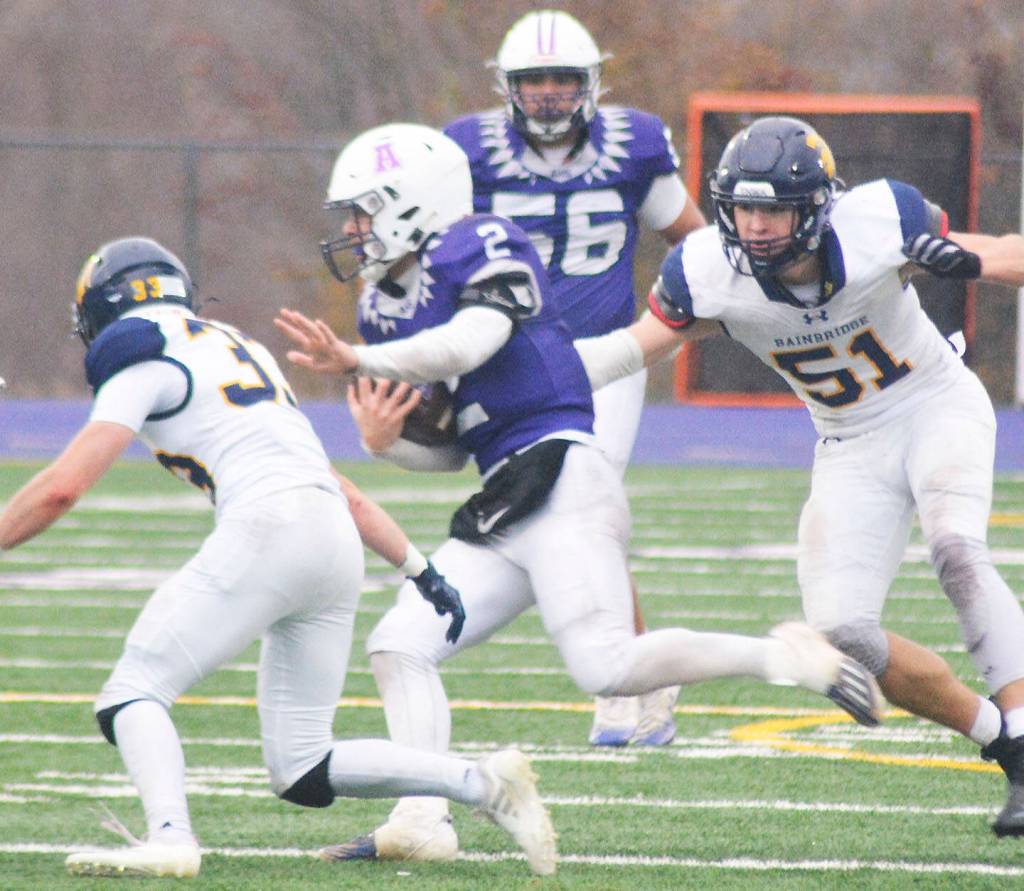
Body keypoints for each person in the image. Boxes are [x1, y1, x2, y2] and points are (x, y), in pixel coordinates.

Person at [275, 121, 882, 865]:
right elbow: (449, 448)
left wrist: (360, 358)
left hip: (562, 475)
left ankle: (784, 656)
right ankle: (424, 818)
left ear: (410, 204)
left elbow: (474, 340)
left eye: (363, 210)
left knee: (607, 666)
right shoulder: (385, 308)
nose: (352, 230)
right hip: (506, 491)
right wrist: (383, 442)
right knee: (400, 644)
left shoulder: (480, 241)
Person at [0, 236, 558, 878]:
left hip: (270, 524)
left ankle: (171, 838)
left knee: (132, 693)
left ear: (102, 306)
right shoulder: (236, 347)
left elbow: (65, 485)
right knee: (301, 765)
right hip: (328, 535)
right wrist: (420, 569)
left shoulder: (137, 348)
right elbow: (336, 486)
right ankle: (484, 784)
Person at [574, 115, 1024, 837]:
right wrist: (521, 373)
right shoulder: (706, 271)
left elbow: (1006, 252)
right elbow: (631, 350)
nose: (755, 226)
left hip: (936, 403)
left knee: (956, 549)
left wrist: (965, 262)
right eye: (744, 208)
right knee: (842, 630)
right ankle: (1002, 741)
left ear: (815, 205)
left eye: (774, 208)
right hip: (846, 441)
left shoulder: (878, 219)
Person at [442, 8, 708, 749]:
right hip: (511, 362)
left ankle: (629, 678)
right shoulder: (468, 152)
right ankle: (647, 670)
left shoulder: (633, 146)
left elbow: (692, 240)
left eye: (564, 78)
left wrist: (688, 311)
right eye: (535, 80)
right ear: (508, 87)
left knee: (581, 505)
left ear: (592, 83)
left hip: (607, 353)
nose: (552, 93)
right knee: (573, 514)